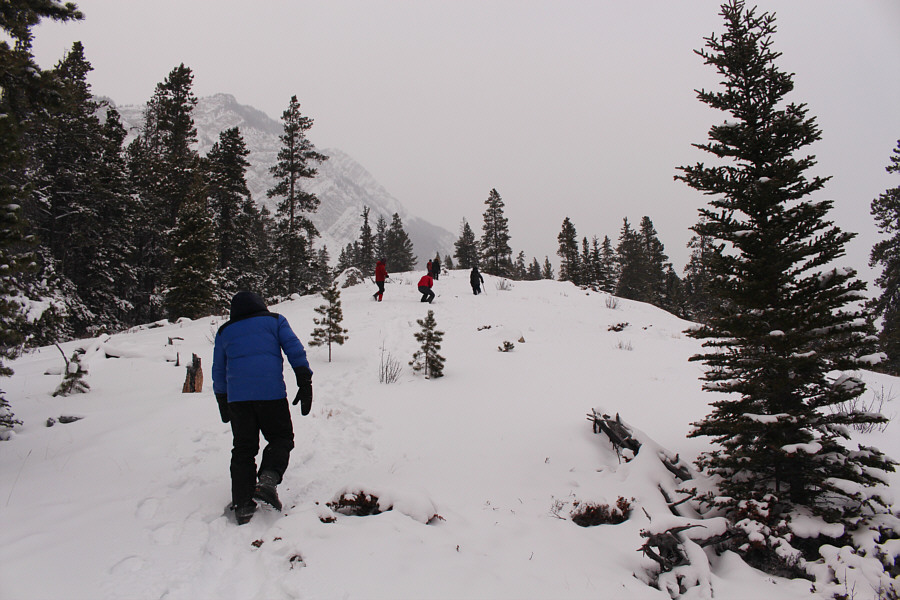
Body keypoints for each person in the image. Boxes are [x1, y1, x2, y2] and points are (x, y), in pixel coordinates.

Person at [212, 291, 313, 525]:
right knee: (281, 438)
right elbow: (294, 349)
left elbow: (218, 369)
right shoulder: (275, 321)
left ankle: (242, 504)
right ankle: (268, 480)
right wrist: (304, 380)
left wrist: (221, 398)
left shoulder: (225, 331)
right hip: (271, 395)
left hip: (238, 400)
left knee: (243, 449)